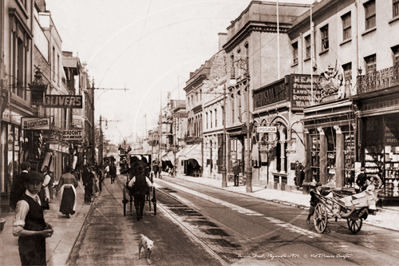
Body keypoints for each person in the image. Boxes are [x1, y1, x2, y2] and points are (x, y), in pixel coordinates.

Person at [13, 171, 54, 266]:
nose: (35, 187)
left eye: (38, 184)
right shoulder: (23, 203)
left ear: (41, 185)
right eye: (32, 184)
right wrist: (40, 233)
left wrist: (44, 224)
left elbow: (32, 218)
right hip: (28, 247)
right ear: (26, 184)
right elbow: (16, 231)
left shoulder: (37, 198)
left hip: (38, 244)